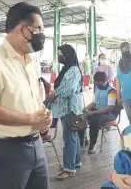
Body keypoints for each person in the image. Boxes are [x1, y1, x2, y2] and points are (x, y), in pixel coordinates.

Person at [0, 2, 51, 189]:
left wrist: (44, 115)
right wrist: (31, 119)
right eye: (38, 29)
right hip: (6, 150)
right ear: (22, 28)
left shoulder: (31, 62)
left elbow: (35, 99)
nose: (41, 34)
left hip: (36, 146)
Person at [49, 44, 84, 181]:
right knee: (72, 136)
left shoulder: (73, 70)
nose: (60, 56)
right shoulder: (68, 68)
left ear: (68, 54)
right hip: (67, 108)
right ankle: (75, 162)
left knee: (69, 138)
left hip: (70, 108)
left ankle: (69, 169)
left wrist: (55, 93)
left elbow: (69, 89)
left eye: (61, 54)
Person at [84, 71, 117, 154]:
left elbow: (109, 108)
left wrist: (93, 113)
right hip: (98, 110)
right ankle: (83, 139)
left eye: (99, 82)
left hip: (110, 113)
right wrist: (84, 110)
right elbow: (93, 103)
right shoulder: (97, 88)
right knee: (81, 117)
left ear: (104, 81)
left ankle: (92, 145)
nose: (97, 83)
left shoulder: (111, 91)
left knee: (94, 120)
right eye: (96, 81)